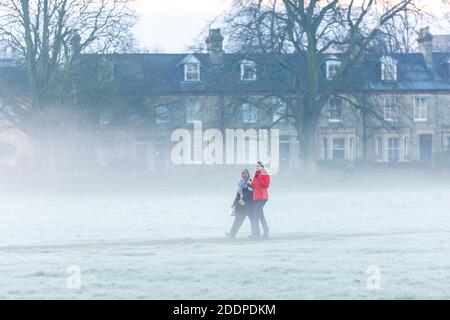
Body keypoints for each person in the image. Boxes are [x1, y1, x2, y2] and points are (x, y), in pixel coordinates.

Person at [226, 169, 254, 239]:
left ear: (248, 174)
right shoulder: (240, 183)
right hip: (241, 206)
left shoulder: (250, 182)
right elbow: (238, 195)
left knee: (253, 220)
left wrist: (243, 199)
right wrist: (234, 203)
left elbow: (250, 193)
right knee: (238, 220)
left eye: (246, 173)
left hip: (249, 205)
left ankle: (255, 234)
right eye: (243, 173)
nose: (245, 175)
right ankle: (232, 234)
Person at [250, 161, 271, 239]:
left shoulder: (265, 174)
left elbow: (266, 185)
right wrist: (250, 183)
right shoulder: (256, 174)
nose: (257, 167)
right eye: (256, 166)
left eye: (258, 166)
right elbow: (254, 186)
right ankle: (265, 230)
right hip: (256, 197)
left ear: (262, 167)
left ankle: (255, 233)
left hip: (263, 197)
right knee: (260, 215)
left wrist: (259, 177)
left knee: (255, 214)